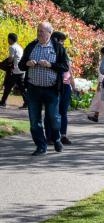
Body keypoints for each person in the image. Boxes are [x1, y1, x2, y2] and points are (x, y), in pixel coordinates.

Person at [19, 20, 69, 155]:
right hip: (33, 89)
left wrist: (50, 65)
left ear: (50, 33)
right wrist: (27, 63)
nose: (39, 33)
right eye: (38, 31)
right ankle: (41, 146)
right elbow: (21, 65)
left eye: (42, 31)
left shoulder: (58, 48)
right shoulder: (31, 46)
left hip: (51, 90)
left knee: (53, 117)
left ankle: (56, 138)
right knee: (34, 120)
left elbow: (65, 66)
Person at [45, 31, 73, 146]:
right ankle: (50, 136)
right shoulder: (49, 52)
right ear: (55, 40)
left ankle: (63, 135)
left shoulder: (63, 52)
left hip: (65, 85)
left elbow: (69, 69)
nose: (62, 44)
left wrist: (72, 83)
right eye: (61, 41)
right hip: (54, 85)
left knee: (63, 112)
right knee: (50, 112)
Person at [0, 33, 28, 107]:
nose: (8, 40)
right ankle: (27, 103)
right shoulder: (19, 47)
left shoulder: (12, 47)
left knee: (8, 86)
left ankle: (3, 102)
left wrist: (3, 64)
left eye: (8, 39)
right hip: (21, 70)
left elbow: (11, 59)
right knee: (22, 87)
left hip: (15, 70)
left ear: (10, 39)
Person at [87, 45, 104, 122]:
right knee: (101, 100)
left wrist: (99, 84)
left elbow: (102, 74)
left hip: (103, 83)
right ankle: (96, 115)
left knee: (102, 100)